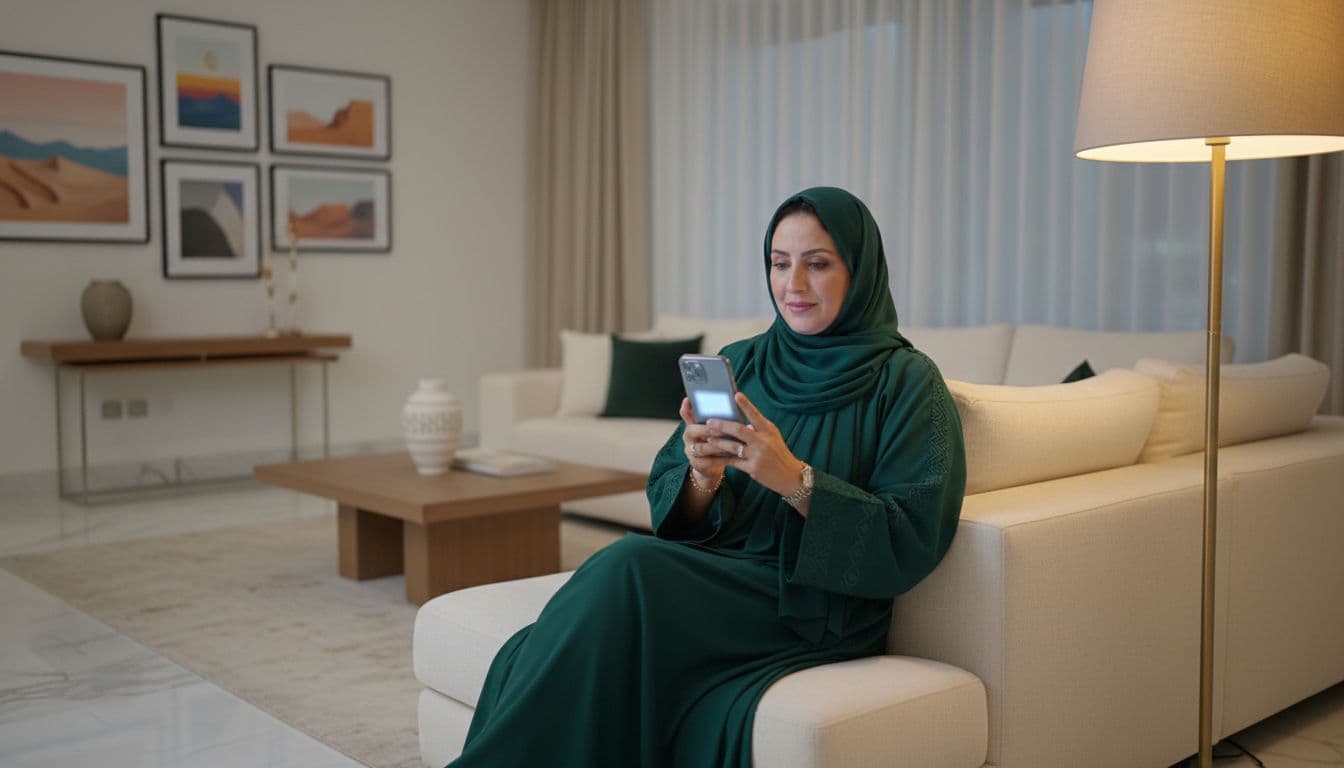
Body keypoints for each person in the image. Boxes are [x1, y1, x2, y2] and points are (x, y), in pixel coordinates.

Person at [447, 186, 966, 767]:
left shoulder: (909, 383)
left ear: (860, 271)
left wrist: (795, 480)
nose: (793, 284)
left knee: (625, 569)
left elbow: (912, 533)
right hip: (722, 575)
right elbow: (671, 497)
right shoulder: (744, 359)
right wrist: (702, 474)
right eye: (780, 263)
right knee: (557, 634)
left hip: (814, 606)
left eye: (817, 264)